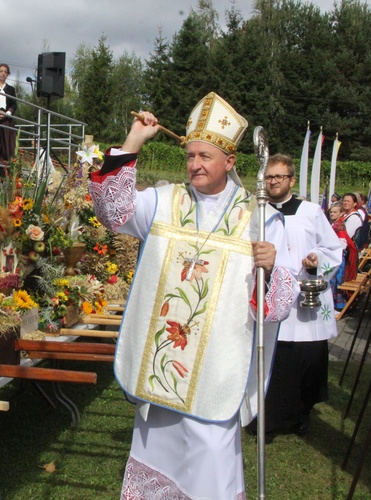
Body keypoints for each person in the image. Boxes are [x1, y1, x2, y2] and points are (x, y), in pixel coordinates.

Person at [88, 92, 296, 498]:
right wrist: (133, 140)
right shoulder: (166, 202)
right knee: (158, 451)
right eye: (190, 155)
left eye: (206, 156)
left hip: (217, 368)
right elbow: (111, 211)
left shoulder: (260, 217)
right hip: (162, 368)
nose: (195, 164)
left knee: (210, 465)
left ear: (230, 161)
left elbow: (279, 304)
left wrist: (272, 269)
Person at [259, 153, 342, 440]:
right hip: (274, 294)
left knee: (308, 361)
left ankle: (302, 413)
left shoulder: (310, 212)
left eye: (279, 176)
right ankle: (269, 418)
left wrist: (315, 258)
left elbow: (333, 247)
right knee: (275, 359)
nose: (273, 181)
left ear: (291, 180)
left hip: (308, 297)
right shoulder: (259, 212)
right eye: (269, 177)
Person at [329, 201, 358, 310]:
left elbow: (343, 243)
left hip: (338, 256)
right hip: (333, 255)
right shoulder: (334, 224)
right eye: (331, 212)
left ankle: (339, 306)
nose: (332, 214)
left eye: (335, 212)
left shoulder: (339, 225)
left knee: (337, 281)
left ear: (341, 213)